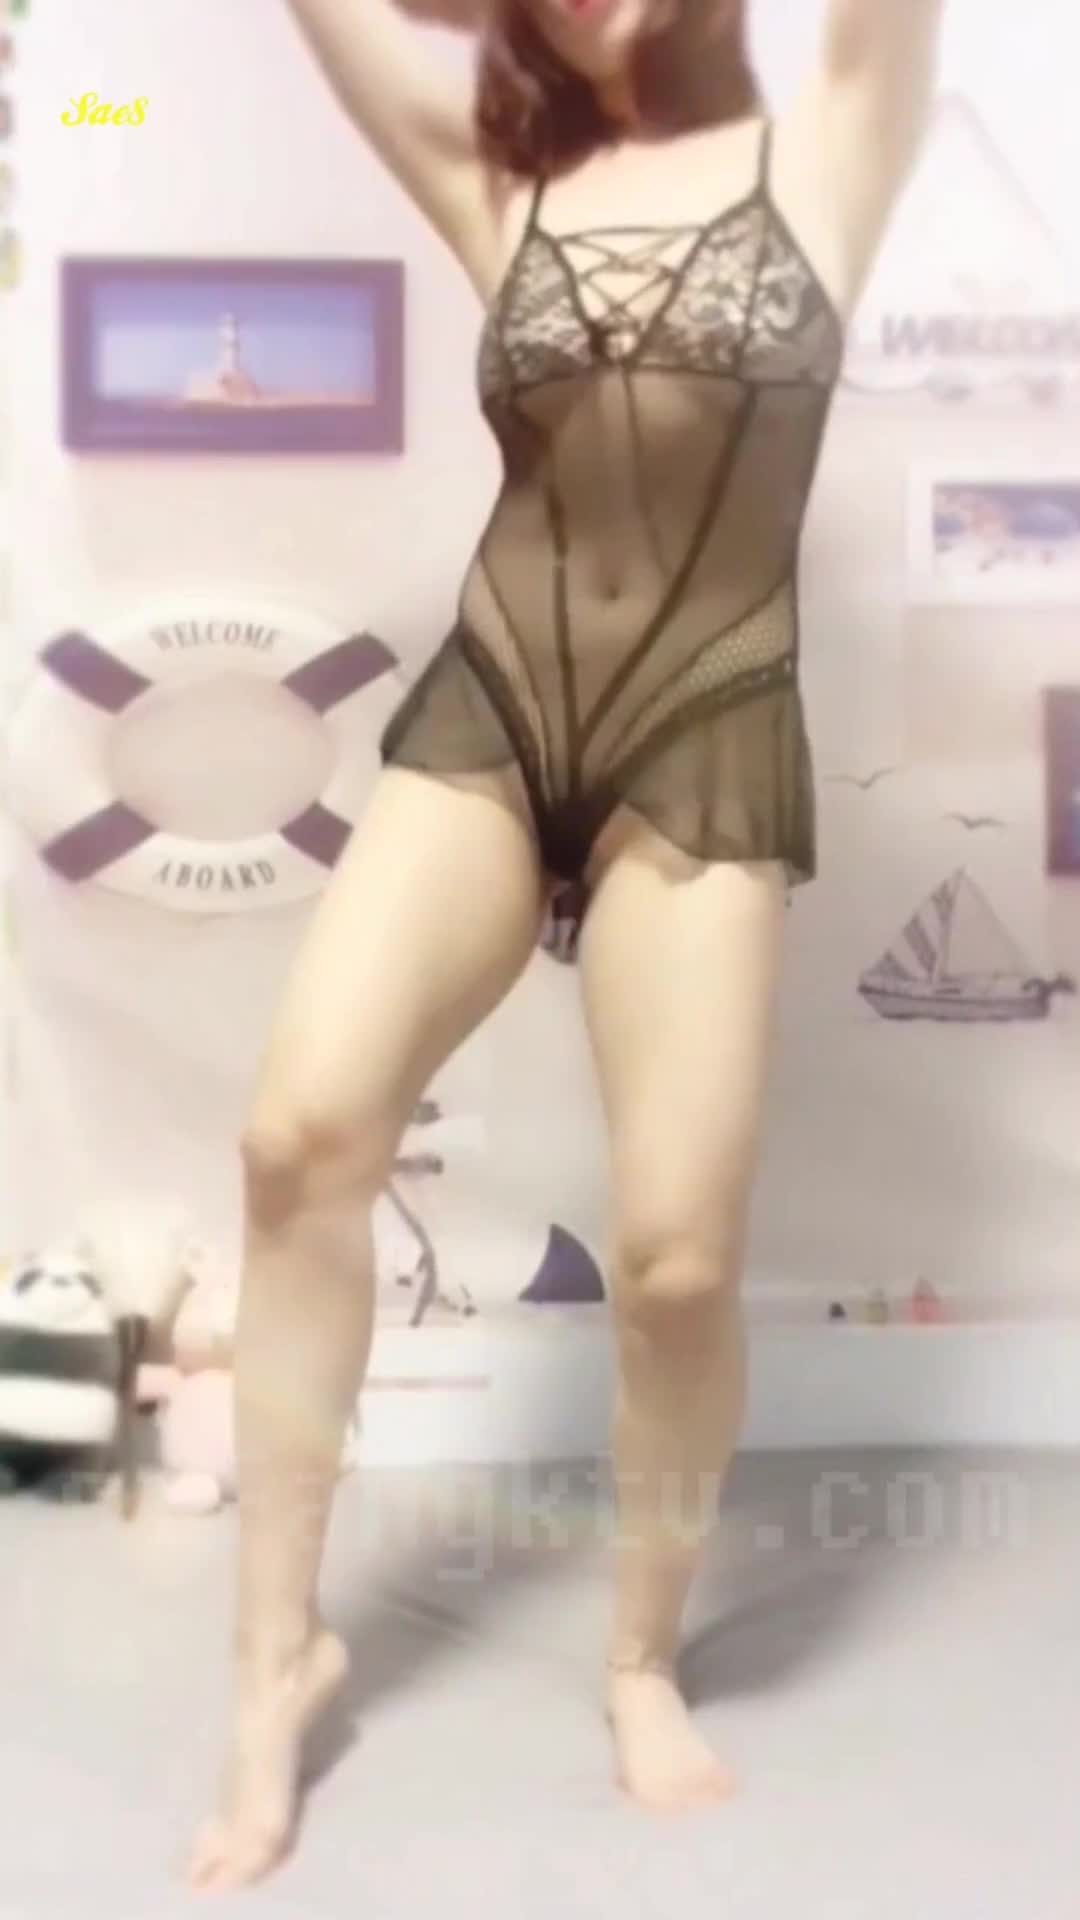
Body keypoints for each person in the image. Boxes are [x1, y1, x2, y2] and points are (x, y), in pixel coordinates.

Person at [190, 0, 943, 1889]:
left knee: (680, 1261)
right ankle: (275, 1666)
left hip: (705, 721)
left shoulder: (830, 143)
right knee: (297, 1141)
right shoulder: (495, 175)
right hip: (495, 710)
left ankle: (636, 1659)